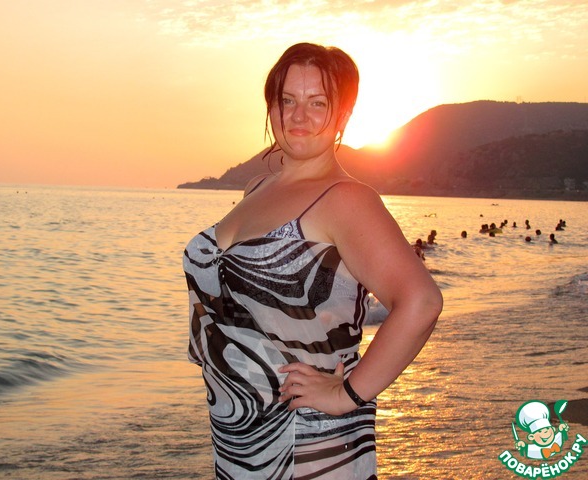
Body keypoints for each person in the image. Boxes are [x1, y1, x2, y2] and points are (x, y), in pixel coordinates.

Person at [183, 42, 442, 479]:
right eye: (287, 100)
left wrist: (347, 394)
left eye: (317, 103)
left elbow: (421, 302)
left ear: (342, 115)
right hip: (242, 437)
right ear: (271, 107)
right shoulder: (257, 187)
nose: (298, 116)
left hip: (308, 444)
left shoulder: (346, 200)